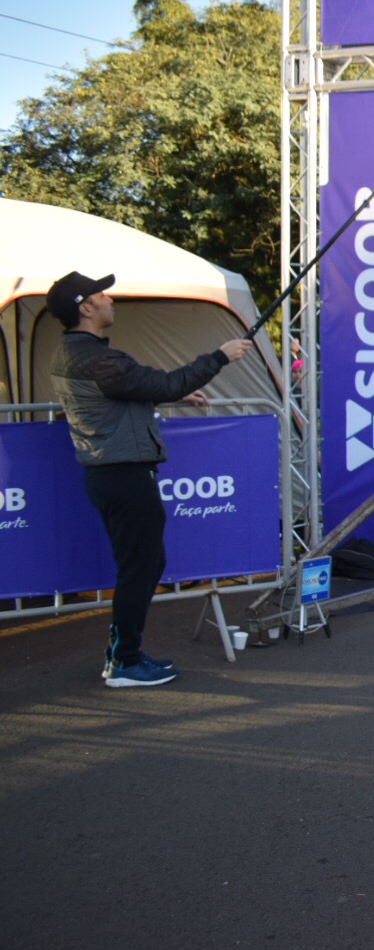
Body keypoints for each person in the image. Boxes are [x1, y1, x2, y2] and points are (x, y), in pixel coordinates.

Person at [46, 272, 253, 687]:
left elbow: (129, 391)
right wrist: (219, 356)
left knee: (143, 564)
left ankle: (122, 653)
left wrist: (171, 392)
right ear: (85, 308)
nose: (110, 299)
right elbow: (164, 381)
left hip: (113, 474)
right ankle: (124, 661)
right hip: (122, 474)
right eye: (102, 294)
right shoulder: (98, 359)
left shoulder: (78, 353)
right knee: (140, 567)